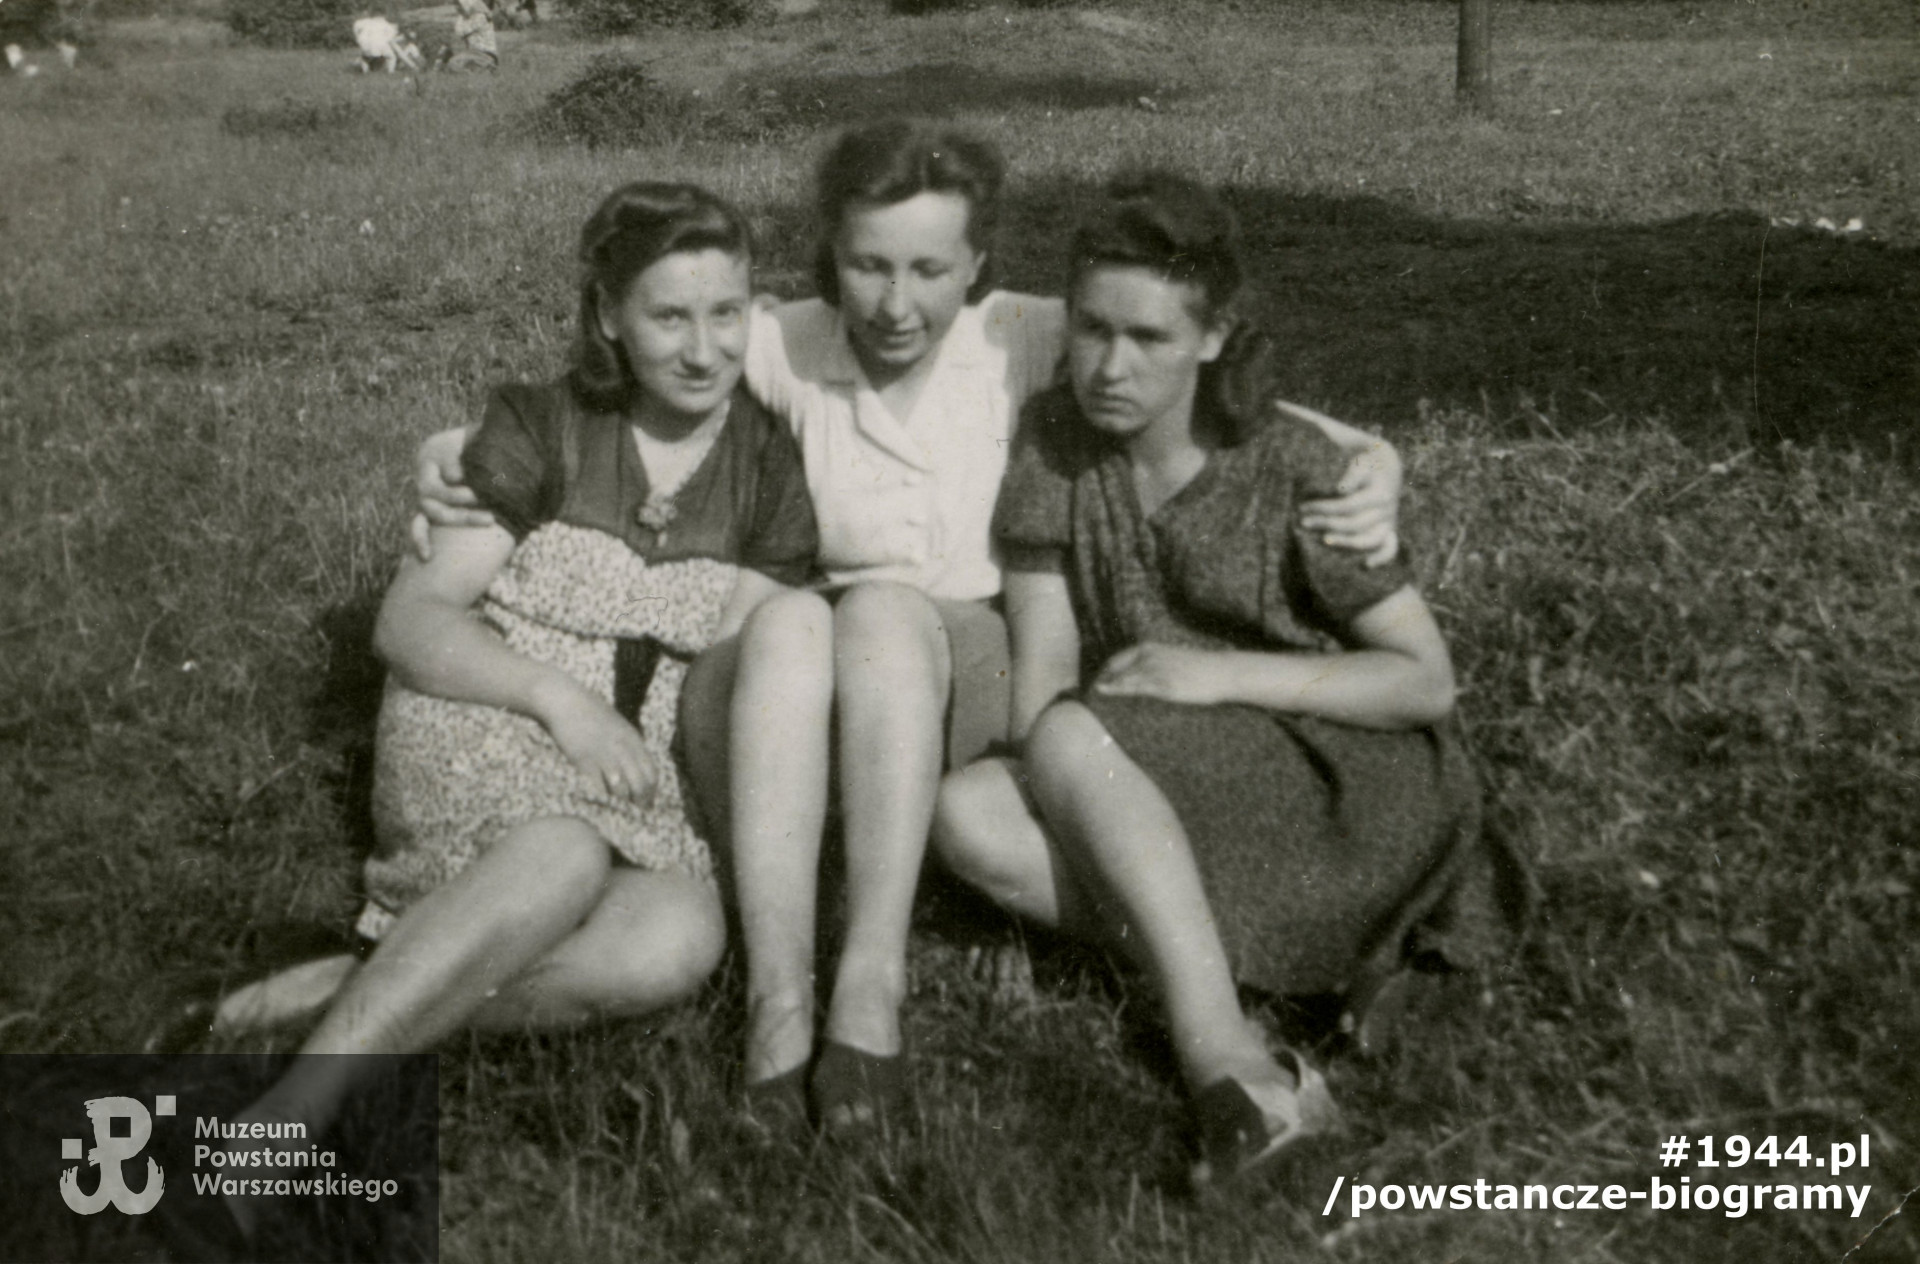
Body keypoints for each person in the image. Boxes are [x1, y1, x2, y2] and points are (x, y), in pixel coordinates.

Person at [414, 119, 1406, 1134]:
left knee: (883, 609)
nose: (896, 304)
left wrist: (1372, 455)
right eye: (867, 266)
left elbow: (1201, 379)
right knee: (803, 618)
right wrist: (459, 450)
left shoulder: (1019, 337)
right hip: (785, 690)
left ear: (978, 263)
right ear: (829, 259)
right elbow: (629, 361)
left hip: (956, 682)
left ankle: (869, 985)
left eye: (931, 268)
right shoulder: (783, 339)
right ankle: (777, 1000)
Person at [207, 183, 814, 1236]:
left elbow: (731, 662)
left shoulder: (769, 463)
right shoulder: (550, 426)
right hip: (490, 710)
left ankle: (353, 991)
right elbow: (413, 621)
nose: (705, 347)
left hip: (640, 769)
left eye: (728, 313)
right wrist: (561, 702)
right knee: (565, 856)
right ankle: (291, 1119)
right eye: (670, 316)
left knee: (671, 945)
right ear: (609, 316)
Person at [933, 172, 1506, 1183]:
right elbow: (1046, 659)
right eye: (1091, 329)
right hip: (1163, 770)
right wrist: (1053, 797)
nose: (1110, 366)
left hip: (1343, 771)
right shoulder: (1055, 445)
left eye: (1148, 338)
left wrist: (1222, 675)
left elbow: (1423, 682)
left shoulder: (1289, 463)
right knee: (972, 813)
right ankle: (1297, 978)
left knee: (1072, 734)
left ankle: (1225, 1062)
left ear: (1210, 337)